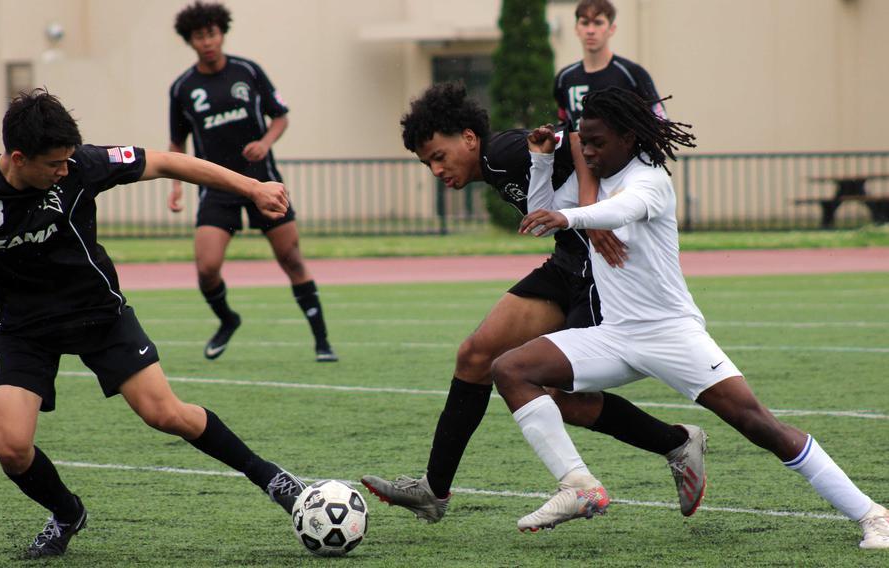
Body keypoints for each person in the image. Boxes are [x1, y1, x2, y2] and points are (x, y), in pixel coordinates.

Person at [493, 87, 889, 549]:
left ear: (628, 136)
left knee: (760, 425)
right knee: (511, 368)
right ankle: (577, 483)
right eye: (584, 142)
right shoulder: (597, 176)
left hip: (671, 334)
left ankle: (873, 513)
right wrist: (542, 162)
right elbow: (546, 211)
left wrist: (573, 218)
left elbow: (620, 209)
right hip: (615, 335)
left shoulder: (650, 180)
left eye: (597, 142)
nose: (589, 151)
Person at [361, 82, 707, 524]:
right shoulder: (494, 164)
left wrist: (587, 211)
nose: (435, 170)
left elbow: (579, 139)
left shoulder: (501, 152)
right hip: (567, 262)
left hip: (595, 272)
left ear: (468, 138)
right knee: (475, 355)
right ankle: (434, 490)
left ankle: (674, 443)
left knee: (558, 393)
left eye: (438, 156)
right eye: (427, 162)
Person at [0, 89, 306, 559]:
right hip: (21, 329)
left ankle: (274, 479)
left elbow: (170, 163)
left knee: (166, 414)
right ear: (17, 157)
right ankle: (67, 512)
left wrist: (252, 188)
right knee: (11, 448)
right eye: (54, 164)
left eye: (69, 160)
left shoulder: (84, 166)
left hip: (97, 315)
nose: (64, 171)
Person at [169, 1, 336, 362]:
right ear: (190, 41)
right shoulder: (183, 88)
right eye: (200, 36)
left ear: (222, 33)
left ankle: (322, 340)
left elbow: (280, 117)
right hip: (216, 188)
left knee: (291, 258)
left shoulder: (248, 71)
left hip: (263, 183)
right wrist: (177, 186)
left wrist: (265, 142)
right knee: (206, 268)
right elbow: (176, 144)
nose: (208, 41)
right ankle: (228, 320)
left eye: (212, 33)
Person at [554, 0, 666, 130]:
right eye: (585, 23)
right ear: (576, 29)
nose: (590, 30)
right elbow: (564, 126)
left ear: (611, 29)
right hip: (581, 150)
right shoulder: (565, 78)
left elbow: (661, 122)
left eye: (598, 23)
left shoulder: (632, 74)